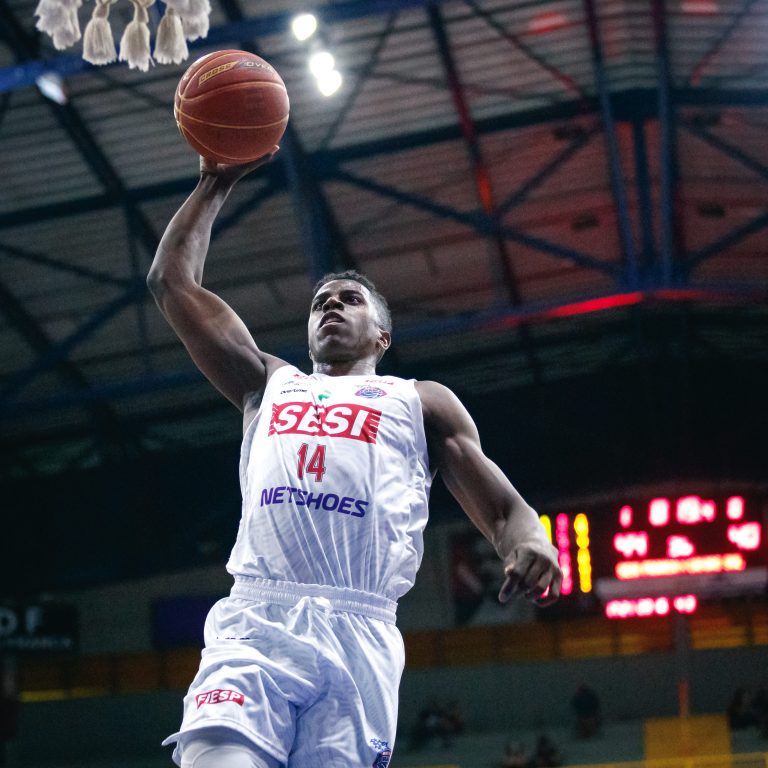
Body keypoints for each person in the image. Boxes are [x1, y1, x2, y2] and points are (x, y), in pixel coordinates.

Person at [147, 151, 563, 768]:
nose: (331, 307)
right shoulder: (267, 382)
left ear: (382, 336)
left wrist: (534, 542)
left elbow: (505, 511)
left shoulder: (419, 401)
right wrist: (215, 181)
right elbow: (171, 283)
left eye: (349, 300)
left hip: (359, 631)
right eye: (320, 302)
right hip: (257, 620)